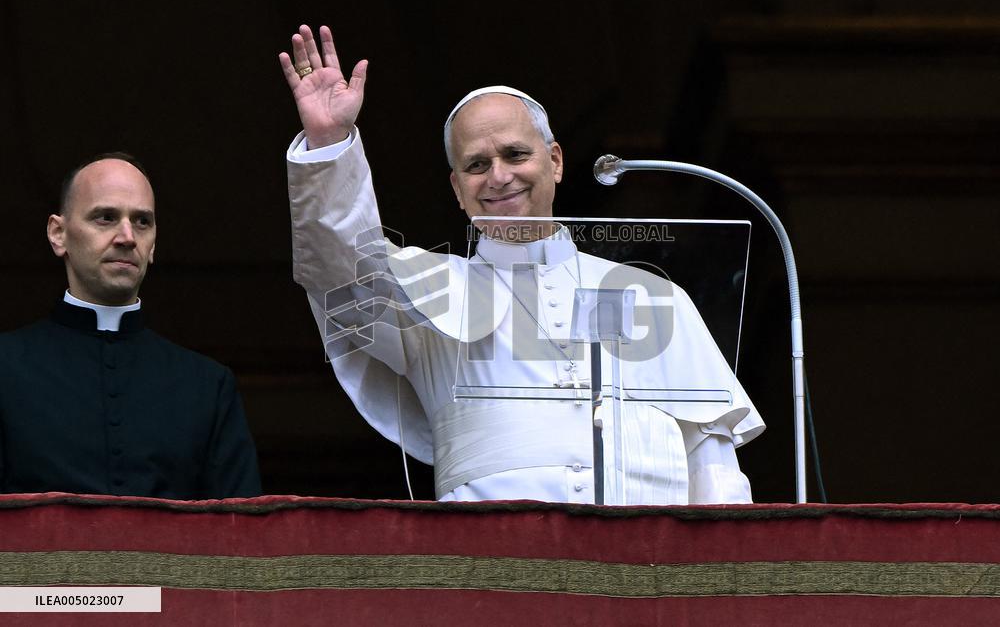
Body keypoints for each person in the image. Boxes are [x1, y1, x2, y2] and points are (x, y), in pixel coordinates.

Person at [280, 25, 764, 504]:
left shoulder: (652, 296)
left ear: (554, 160)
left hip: (645, 571)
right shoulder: (427, 291)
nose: (499, 176)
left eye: (515, 154)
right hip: (491, 571)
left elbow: (712, 464)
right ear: (457, 189)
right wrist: (329, 145)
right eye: (476, 165)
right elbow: (341, 268)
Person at [0, 153, 261, 499]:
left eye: (142, 222)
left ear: (153, 244)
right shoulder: (5, 367)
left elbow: (243, 538)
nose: (127, 236)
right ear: (58, 234)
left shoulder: (208, 386)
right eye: (105, 218)